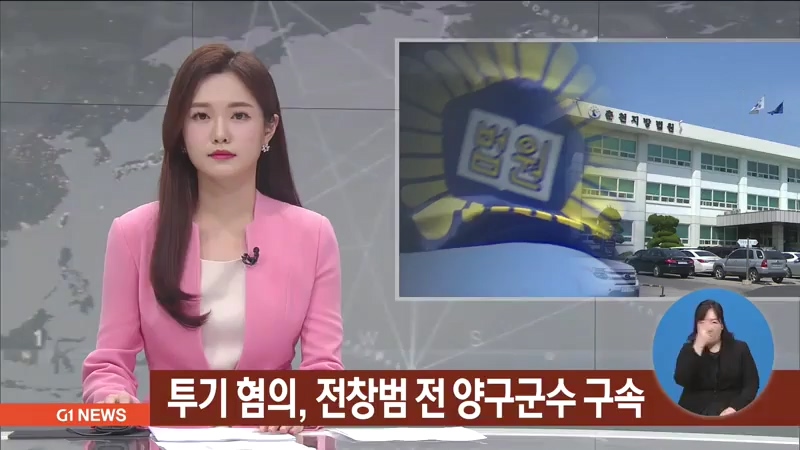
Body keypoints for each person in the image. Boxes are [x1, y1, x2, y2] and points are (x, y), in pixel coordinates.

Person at [81, 44, 344, 434]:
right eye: (201, 116)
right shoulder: (133, 233)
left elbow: (324, 368)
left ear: (268, 128)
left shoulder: (313, 235)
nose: (220, 134)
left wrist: (301, 403)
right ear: (181, 130)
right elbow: (109, 363)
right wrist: (112, 397)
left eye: (239, 115)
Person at [673, 299, 759, 416]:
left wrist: (735, 408)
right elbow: (681, 379)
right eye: (702, 322)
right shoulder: (688, 349)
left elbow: (751, 384)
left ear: (722, 325)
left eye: (714, 322)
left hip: (730, 413)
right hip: (693, 414)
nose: (708, 328)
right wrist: (698, 347)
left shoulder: (740, 348)